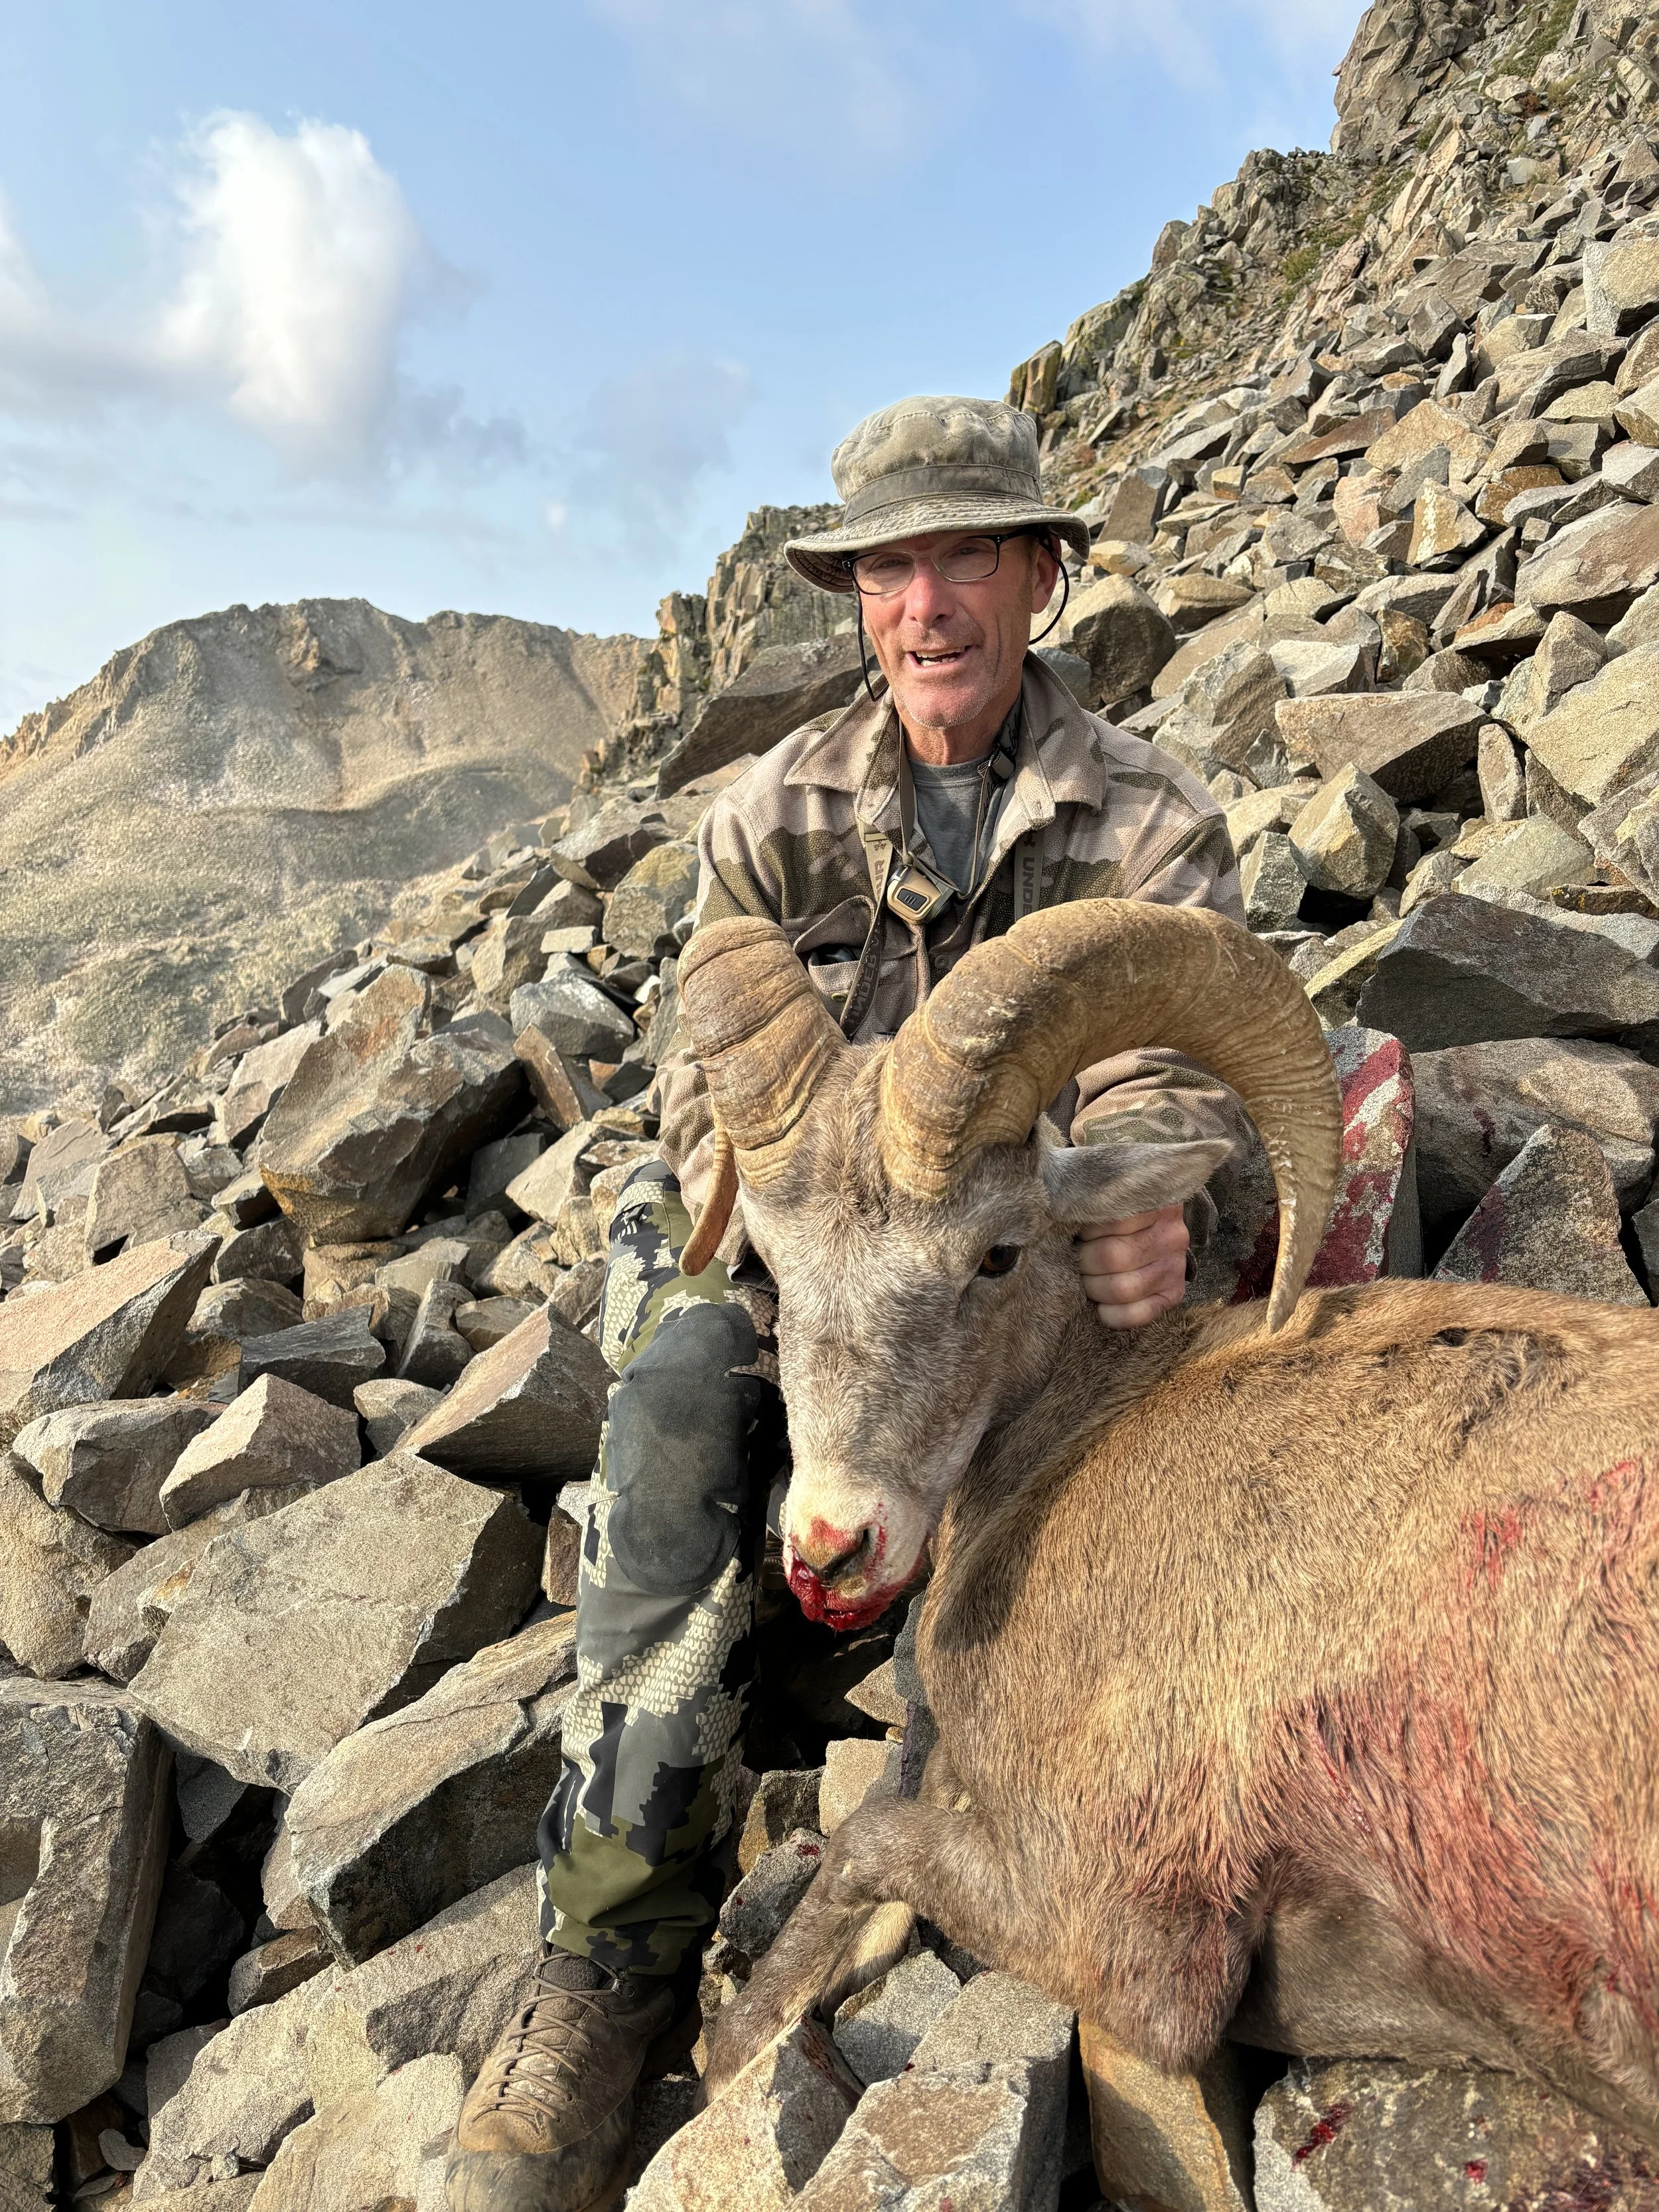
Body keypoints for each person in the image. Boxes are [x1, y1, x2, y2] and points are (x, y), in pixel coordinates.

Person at [445, 394, 1254, 2212]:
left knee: (1160, 1410)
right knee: (666, 1409)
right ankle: (607, 1950)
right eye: (891, 562)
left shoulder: (1141, 813)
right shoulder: (771, 815)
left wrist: (1141, 1186)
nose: (928, 599)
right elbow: (688, 1094)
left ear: (1037, 575)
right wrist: (760, 1220)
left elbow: (1202, 1046)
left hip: (1009, 1249)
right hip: (799, 1247)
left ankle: (1159, 1851)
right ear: (854, 594)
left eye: (967, 551)